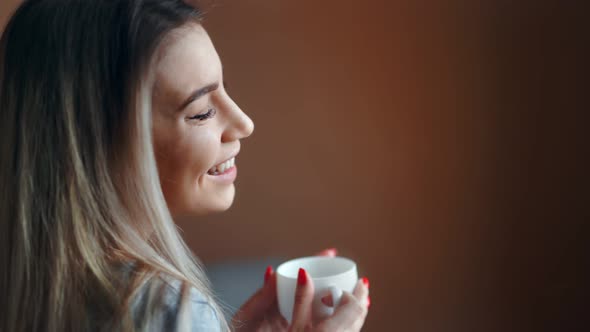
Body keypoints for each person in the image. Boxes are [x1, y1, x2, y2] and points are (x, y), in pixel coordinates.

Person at [0, 0, 370, 331]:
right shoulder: (165, 309)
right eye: (202, 111)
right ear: (97, 144)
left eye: (225, 88)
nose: (244, 123)